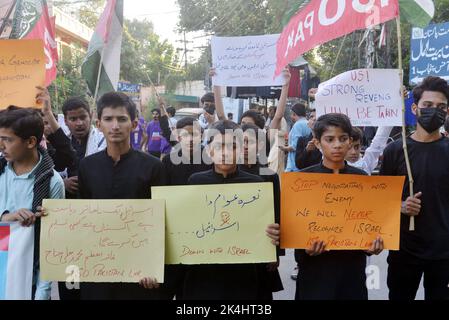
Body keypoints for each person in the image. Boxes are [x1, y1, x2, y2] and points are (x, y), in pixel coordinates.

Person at [77, 92, 164, 299]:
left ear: (134, 124)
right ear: (98, 124)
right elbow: (81, 216)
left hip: (138, 271)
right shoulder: (87, 166)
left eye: (122, 119)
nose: (115, 126)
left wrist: (152, 265)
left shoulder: (153, 167)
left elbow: (161, 222)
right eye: (108, 119)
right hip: (98, 267)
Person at [183, 120, 280, 299]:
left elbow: (268, 225)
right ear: (208, 150)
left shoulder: (256, 184)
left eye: (233, 146)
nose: (226, 153)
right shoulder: (195, 182)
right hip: (205, 270)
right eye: (219, 146)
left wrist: (273, 237)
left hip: (245, 270)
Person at [295, 113, 383, 300]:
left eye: (343, 139)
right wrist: (305, 248)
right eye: (329, 139)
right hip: (314, 271)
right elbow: (295, 227)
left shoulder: (362, 180)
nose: (337, 145)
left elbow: (369, 224)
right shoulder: (303, 181)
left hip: (351, 271)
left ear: (350, 141)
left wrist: (372, 246)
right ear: (317, 143)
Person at [380, 76, 449, 300]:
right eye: (427, 105)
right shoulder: (395, 150)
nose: (434, 111)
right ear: (414, 107)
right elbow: (379, 200)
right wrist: (400, 206)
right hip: (404, 251)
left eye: (441, 107)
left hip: (443, 253)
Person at [0, 107, 65, 300]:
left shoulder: (52, 182)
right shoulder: (1, 173)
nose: (1, 146)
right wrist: (6, 219)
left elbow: (52, 243)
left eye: (7, 140)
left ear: (31, 142)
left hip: (28, 282)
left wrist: (43, 293)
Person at [239, 123, 284, 299]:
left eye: (249, 142)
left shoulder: (268, 175)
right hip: (233, 242)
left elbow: (277, 213)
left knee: (260, 294)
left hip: (261, 244)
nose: (244, 146)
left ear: (259, 145)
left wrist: (276, 252)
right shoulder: (227, 171)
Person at [62, 97, 106, 199]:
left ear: (90, 116)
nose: (79, 123)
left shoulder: (103, 140)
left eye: (83, 117)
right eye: (73, 119)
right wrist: (62, 183)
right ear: (65, 121)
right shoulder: (60, 143)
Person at [37, 87, 76, 172]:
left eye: (48, 123)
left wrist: (48, 112)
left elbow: (68, 157)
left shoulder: (50, 149)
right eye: (42, 124)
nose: (46, 127)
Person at [279, 103, 311, 172]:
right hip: (305, 162)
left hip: (294, 165)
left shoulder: (298, 125)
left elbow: (295, 146)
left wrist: (284, 148)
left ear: (294, 113)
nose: (291, 116)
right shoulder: (308, 123)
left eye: (292, 113)